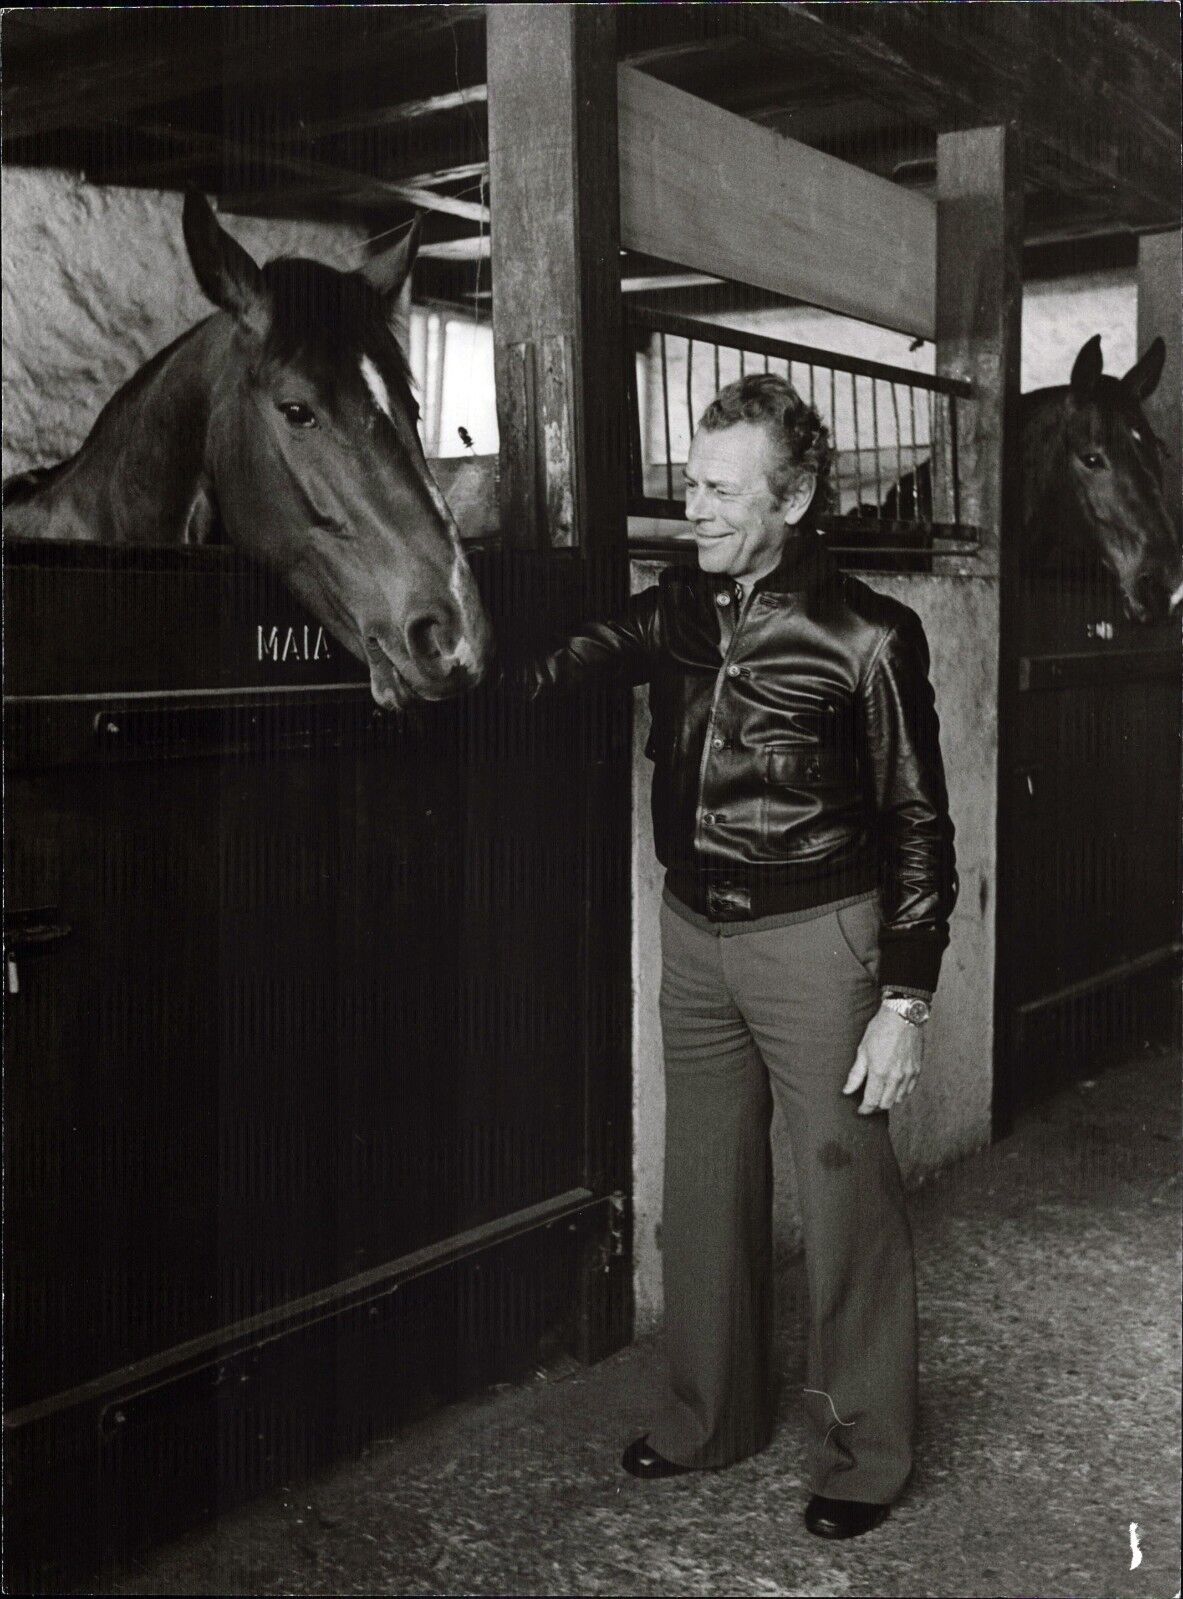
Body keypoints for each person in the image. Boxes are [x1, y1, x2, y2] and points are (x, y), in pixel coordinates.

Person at [508, 373, 957, 1539]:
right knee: (705, 1188)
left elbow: (917, 824)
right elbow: (556, 670)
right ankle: (712, 1419)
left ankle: (869, 1454)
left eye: (716, 490)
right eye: (686, 485)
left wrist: (903, 1000)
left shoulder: (868, 635)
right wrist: (432, 677)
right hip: (695, 933)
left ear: (795, 497)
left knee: (843, 1196)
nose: (689, 510)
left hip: (820, 942)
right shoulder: (677, 610)